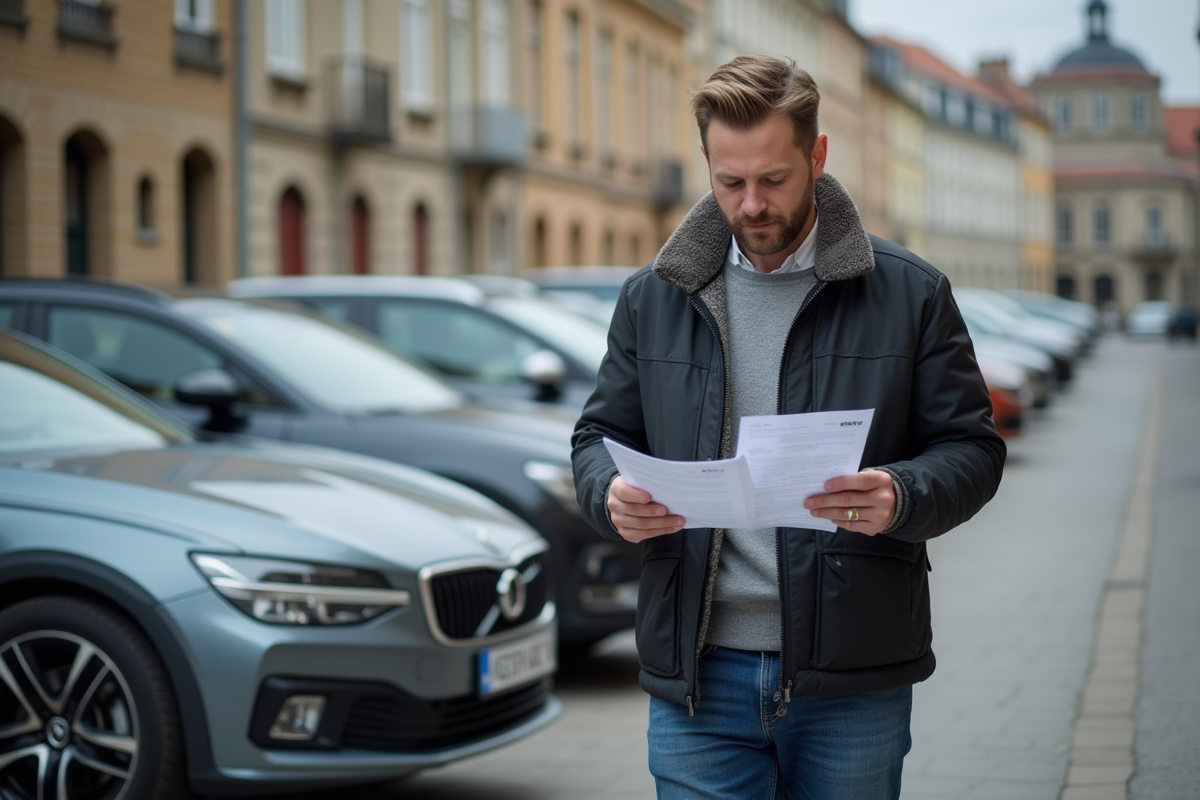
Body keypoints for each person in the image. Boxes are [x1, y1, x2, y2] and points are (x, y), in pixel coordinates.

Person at [571, 55, 1006, 800]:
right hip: (698, 681)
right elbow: (595, 439)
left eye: (773, 179)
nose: (750, 206)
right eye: (729, 181)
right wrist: (610, 493)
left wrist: (902, 493)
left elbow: (973, 450)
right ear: (706, 162)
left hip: (851, 676)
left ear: (818, 155)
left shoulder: (912, 292)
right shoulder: (652, 297)